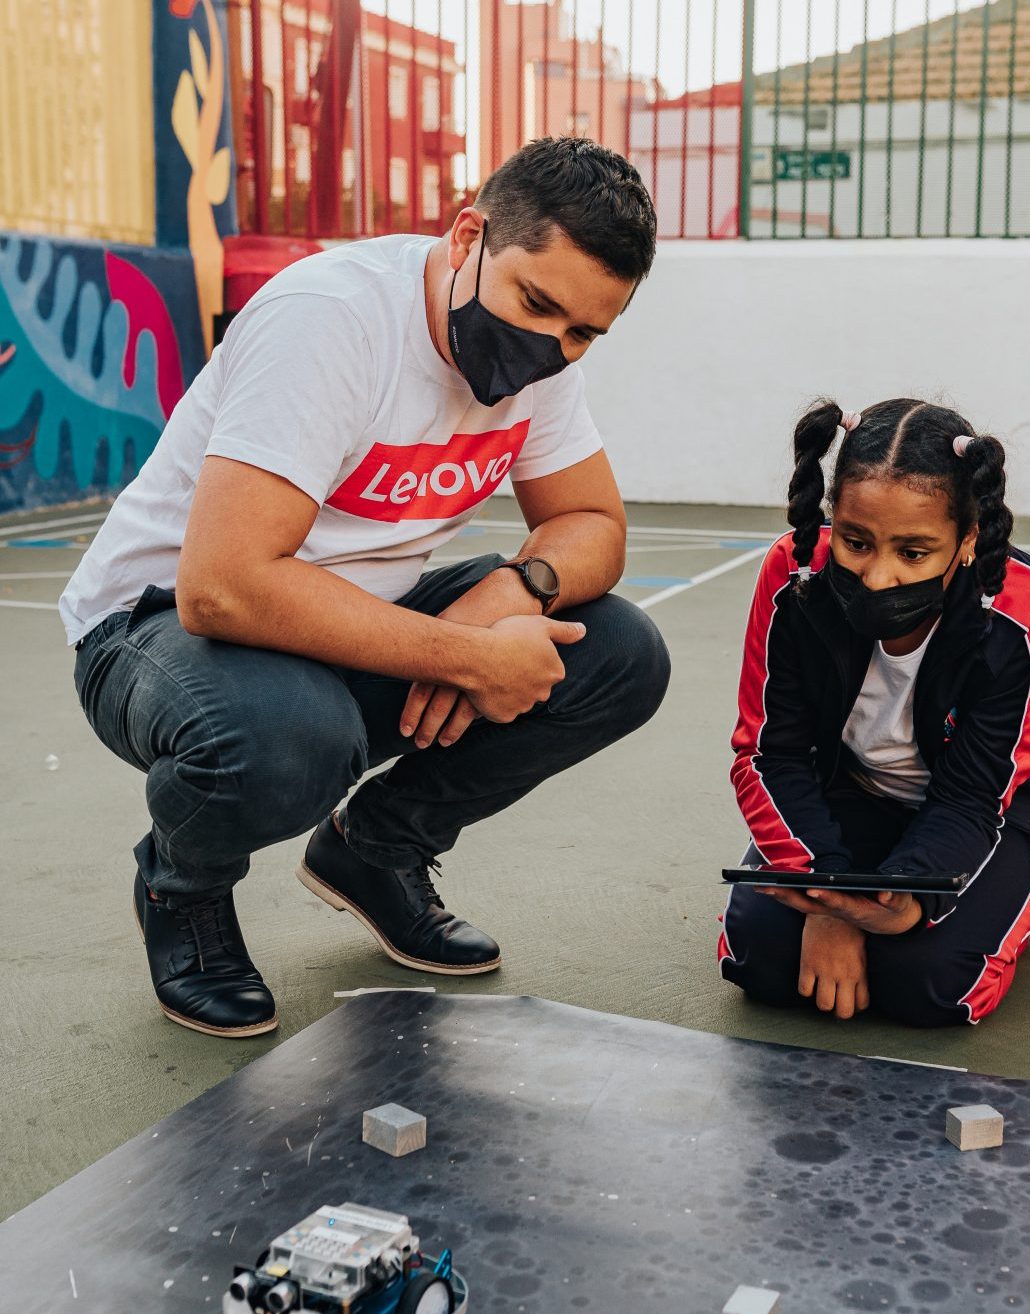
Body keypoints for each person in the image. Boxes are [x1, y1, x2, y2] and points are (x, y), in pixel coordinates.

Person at [59, 137, 670, 1039]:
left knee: (617, 652)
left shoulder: (540, 364)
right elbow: (221, 588)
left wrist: (511, 591)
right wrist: (465, 656)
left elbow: (595, 527)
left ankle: (374, 851)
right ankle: (181, 890)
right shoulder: (331, 319)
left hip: (335, 624)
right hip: (152, 634)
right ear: (469, 235)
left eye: (583, 332)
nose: (550, 347)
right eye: (535, 304)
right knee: (291, 738)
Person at [718, 398, 1030, 1026]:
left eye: (914, 552)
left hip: (1003, 810)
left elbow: (974, 796)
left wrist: (907, 899)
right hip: (856, 788)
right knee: (759, 959)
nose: (877, 577)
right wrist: (831, 895)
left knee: (930, 987)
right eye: (855, 541)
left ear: (967, 541)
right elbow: (771, 753)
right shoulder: (793, 576)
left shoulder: (1028, 615)